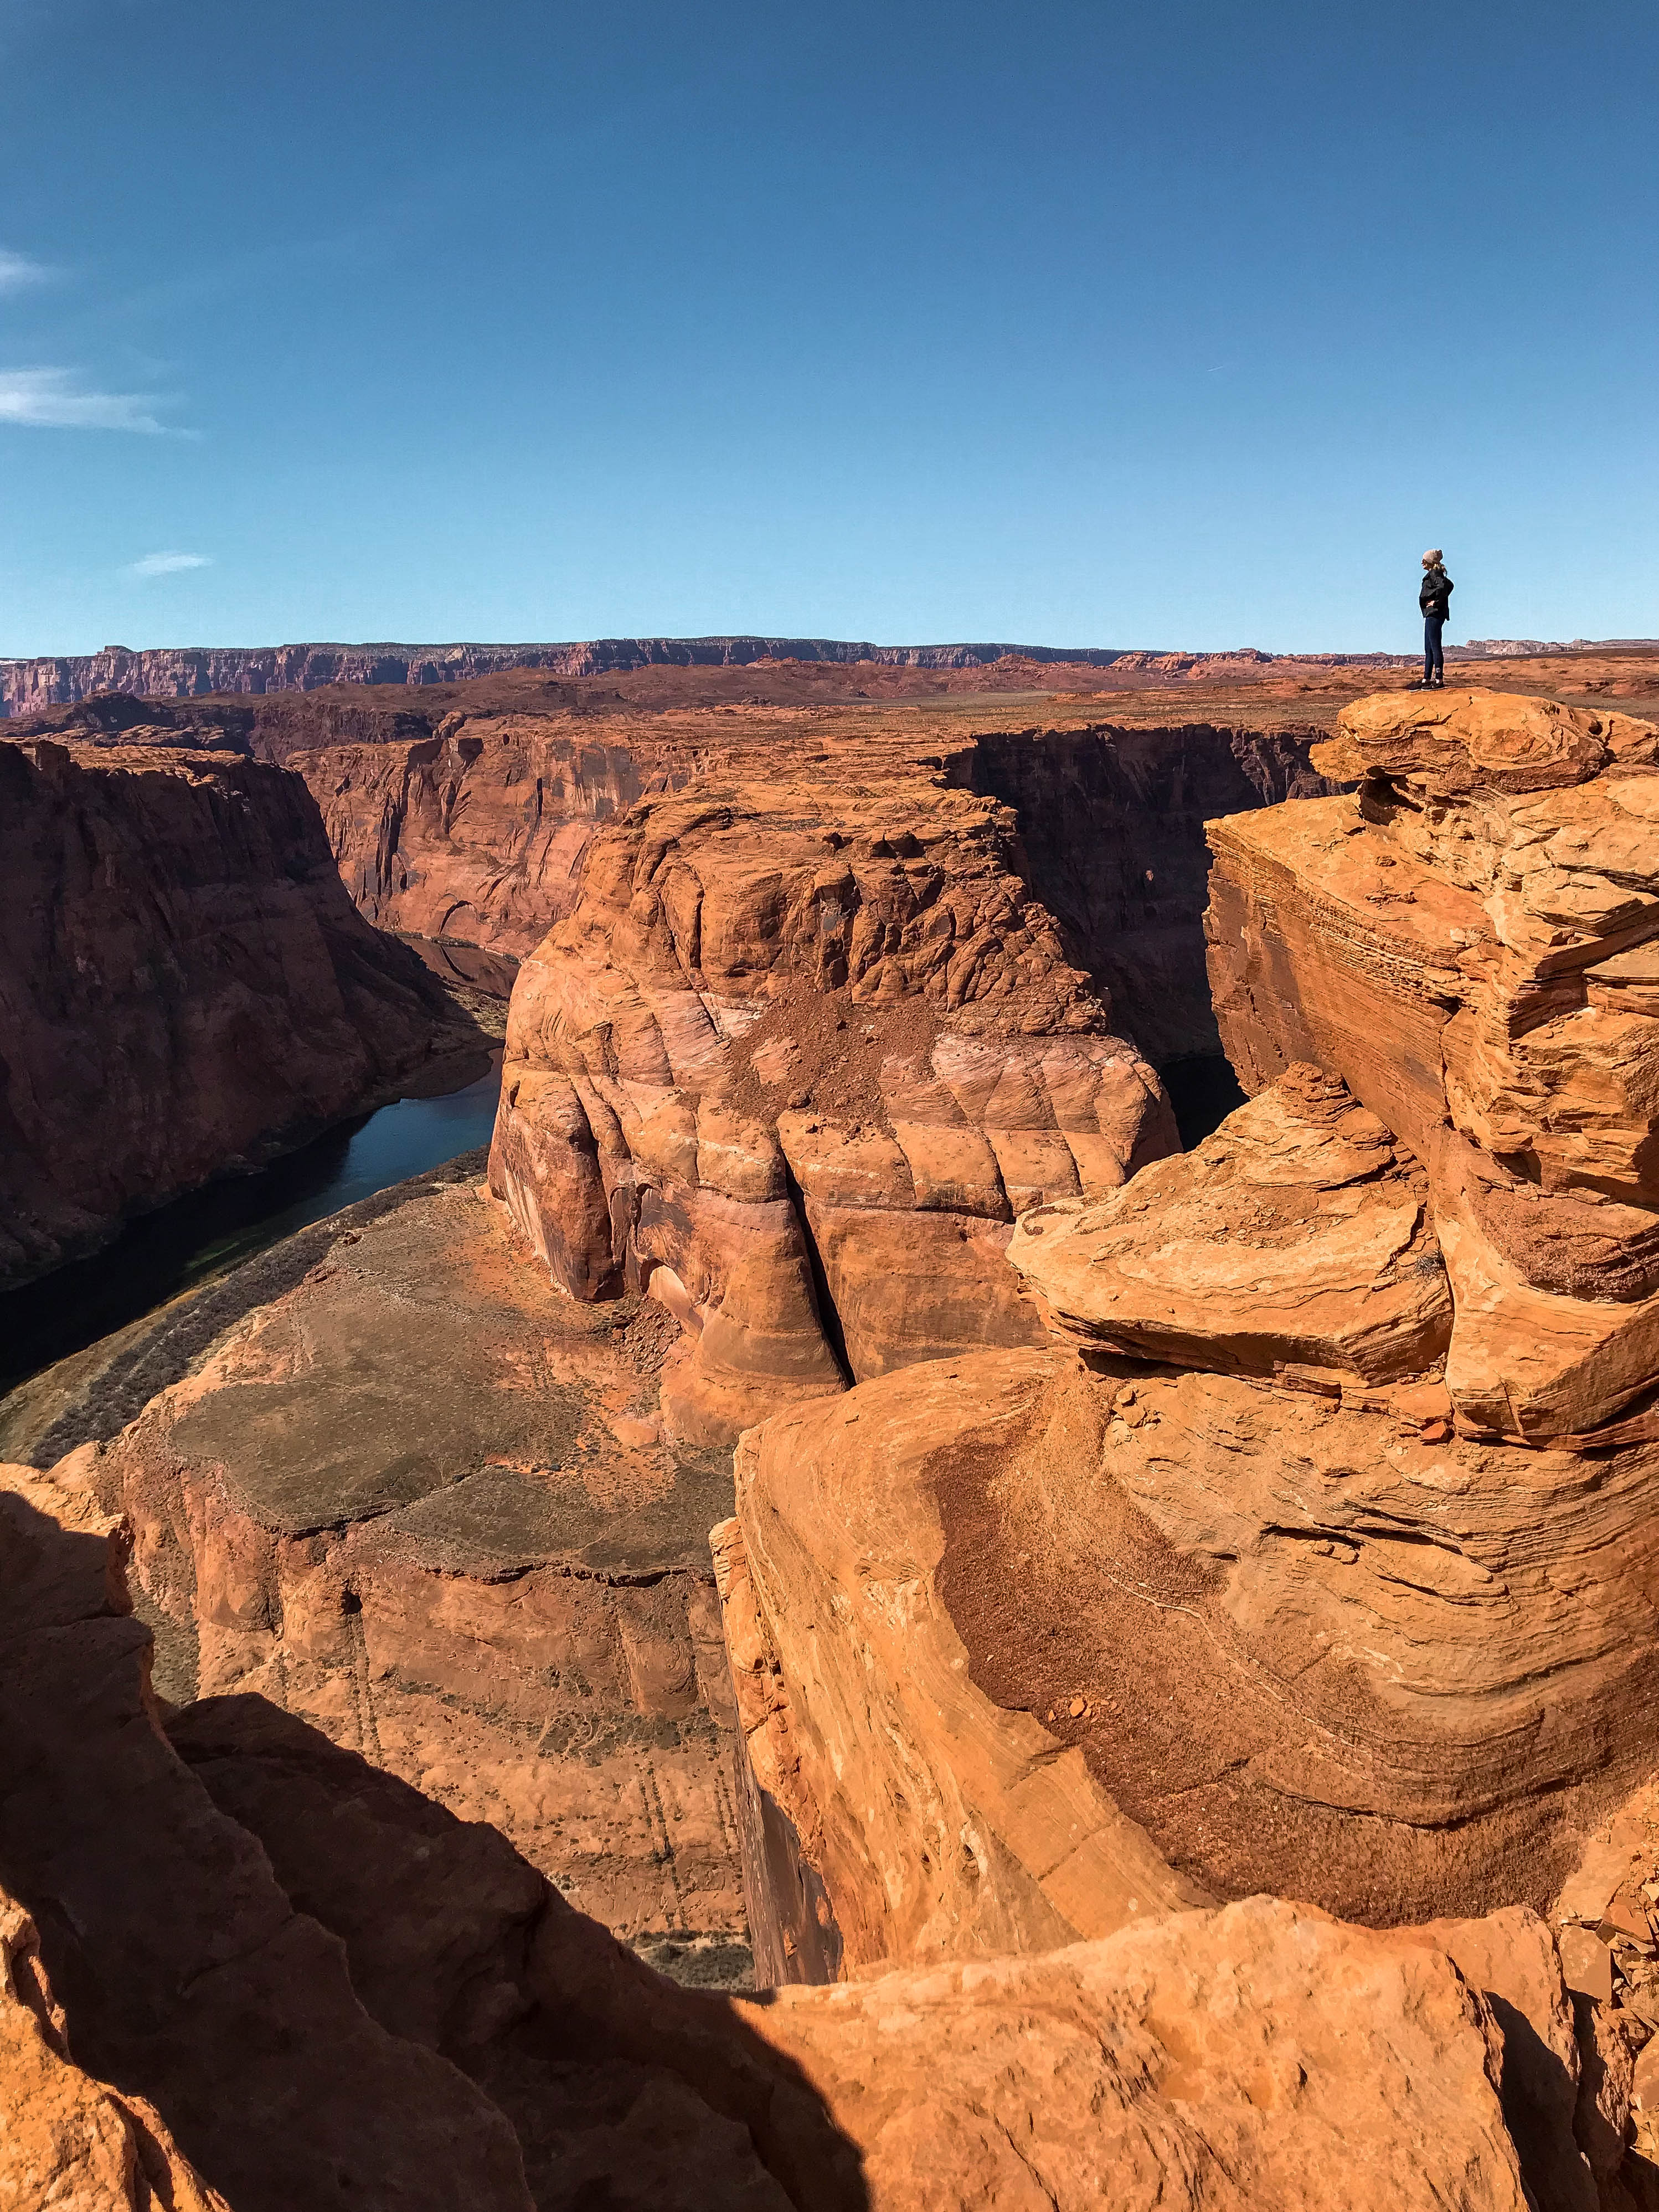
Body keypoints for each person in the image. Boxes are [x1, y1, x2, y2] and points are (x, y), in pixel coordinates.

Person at [1416, 549, 1453, 688]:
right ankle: (1426, 679)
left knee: (1434, 646)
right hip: (1431, 614)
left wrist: (1436, 602)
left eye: (1424, 560)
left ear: (1430, 561)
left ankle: (1439, 680)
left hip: (1435, 614)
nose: (1422, 562)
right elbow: (1449, 585)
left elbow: (1445, 587)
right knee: (1429, 648)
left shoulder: (1435, 574)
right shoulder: (1434, 574)